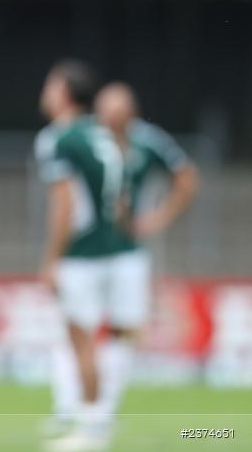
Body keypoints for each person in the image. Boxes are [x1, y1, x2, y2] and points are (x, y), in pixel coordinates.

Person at [93, 81, 198, 426]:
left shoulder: (148, 141)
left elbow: (186, 178)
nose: (112, 119)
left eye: (118, 112)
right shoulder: (88, 140)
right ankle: (80, 402)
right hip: (86, 251)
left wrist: (157, 218)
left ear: (131, 113)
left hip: (127, 250)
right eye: (107, 111)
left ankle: (106, 403)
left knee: (125, 326)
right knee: (81, 325)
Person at [34, 60, 124, 452]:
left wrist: (52, 258)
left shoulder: (62, 138)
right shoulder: (99, 134)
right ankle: (88, 418)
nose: (45, 91)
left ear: (66, 93)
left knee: (82, 339)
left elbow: (65, 206)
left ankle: (91, 429)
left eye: (52, 84)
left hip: (81, 253)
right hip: (111, 248)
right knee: (89, 339)